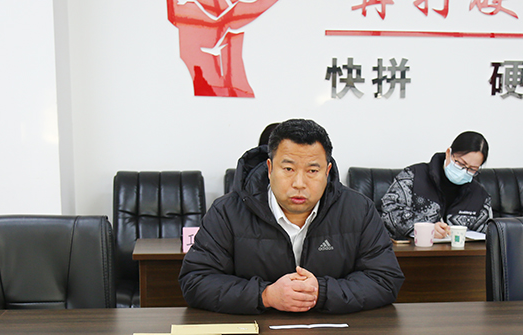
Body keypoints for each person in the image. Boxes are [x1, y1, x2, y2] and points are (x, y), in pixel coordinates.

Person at [179, 119, 404, 314]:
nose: (299, 183)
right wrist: (265, 295)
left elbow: (385, 279)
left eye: (312, 171)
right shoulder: (227, 212)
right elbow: (196, 281)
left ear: (327, 172)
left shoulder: (359, 210)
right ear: (269, 168)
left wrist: (321, 292)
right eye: (288, 169)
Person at [381, 131, 492, 240]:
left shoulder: (480, 196)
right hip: (414, 250)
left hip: (462, 252)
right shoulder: (412, 176)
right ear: (448, 153)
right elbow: (389, 211)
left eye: (472, 169)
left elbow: (489, 232)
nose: (464, 171)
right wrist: (426, 228)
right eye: (461, 163)